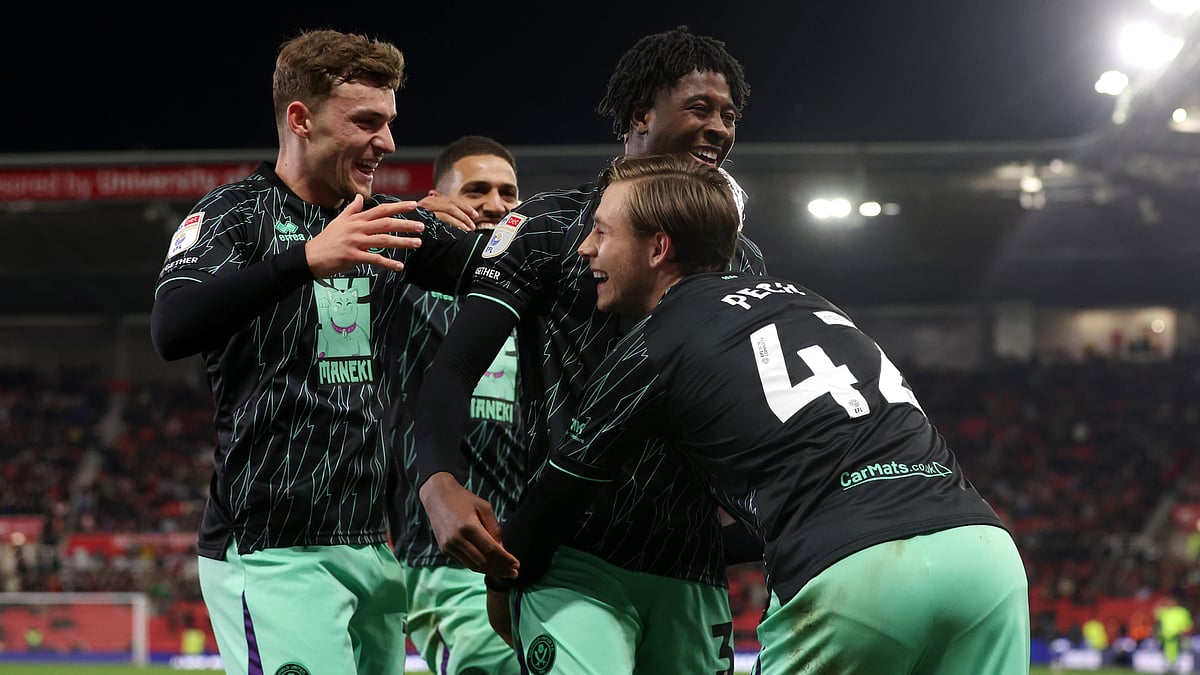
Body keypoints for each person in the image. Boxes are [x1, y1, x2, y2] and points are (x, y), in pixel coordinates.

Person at [485, 153, 1032, 674]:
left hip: (855, 572)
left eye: (603, 232)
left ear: (658, 248)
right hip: (983, 554)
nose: (586, 247)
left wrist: (503, 580)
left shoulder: (656, 342)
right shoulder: (808, 301)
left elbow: (560, 489)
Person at [414, 26, 764, 674]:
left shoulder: (741, 259)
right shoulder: (545, 228)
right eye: (700, 108)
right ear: (640, 115)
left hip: (691, 568)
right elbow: (454, 367)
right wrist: (437, 482)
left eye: (729, 114)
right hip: (573, 559)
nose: (719, 128)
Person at [150, 28, 484, 675]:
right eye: (366, 121)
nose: (387, 141)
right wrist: (303, 259)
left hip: (371, 545)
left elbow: (501, 271)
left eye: (389, 122)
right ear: (301, 119)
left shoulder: (388, 222)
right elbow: (171, 326)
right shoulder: (232, 215)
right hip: (272, 549)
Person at [388, 135, 523, 675]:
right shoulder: (402, 287)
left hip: (533, 552)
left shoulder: (530, 299)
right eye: (476, 190)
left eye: (509, 193)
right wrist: (416, 224)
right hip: (445, 556)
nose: (495, 204)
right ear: (439, 200)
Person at [1155, 594, 1194, 673]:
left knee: (1177, 652)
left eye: (1171, 601)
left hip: (1178, 636)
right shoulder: (1164, 611)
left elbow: (1188, 625)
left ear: (1176, 602)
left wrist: (1182, 632)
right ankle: (1167, 666)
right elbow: (1156, 616)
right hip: (1165, 637)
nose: (1169, 603)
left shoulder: (1182, 612)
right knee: (1165, 652)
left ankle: (1175, 667)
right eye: (1168, 601)